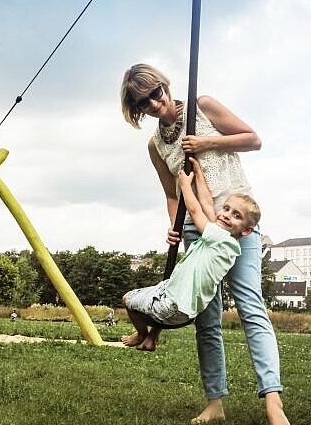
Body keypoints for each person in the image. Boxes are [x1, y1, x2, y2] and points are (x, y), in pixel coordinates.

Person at [120, 64, 290, 425]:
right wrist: (175, 226)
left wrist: (206, 142)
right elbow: (172, 193)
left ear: (164, 86)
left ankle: (273, 402)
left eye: (156, 91)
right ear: (137, 109)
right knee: (206, 321)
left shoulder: (203, 106)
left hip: (235, 221)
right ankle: (215, 402)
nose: (155, 102)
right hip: (197, 232)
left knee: (250, 306)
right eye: (143, 101)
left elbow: (253, 139)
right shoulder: (155, 145)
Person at [121, 157, 258, 351]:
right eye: (226, 209)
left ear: (246, 231)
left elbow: (195, 209)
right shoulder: (227, 244)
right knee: (165, 287)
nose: (227, 215)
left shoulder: (218, 237)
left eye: (237, 215)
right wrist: (199, 174)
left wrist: (185, 185)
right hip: (187, 312)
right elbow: (208, 204)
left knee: (128, 299)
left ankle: (141, 334)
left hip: (172, 306)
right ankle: (151, 339)